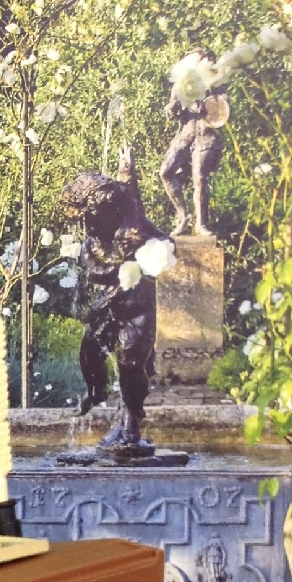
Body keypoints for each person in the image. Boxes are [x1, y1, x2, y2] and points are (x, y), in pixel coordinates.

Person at [61, 146, 172, 449]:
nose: (88, 224)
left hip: (137, 311)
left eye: (92, 217)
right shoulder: (92, 243)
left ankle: (131, 425)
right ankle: (95, 394)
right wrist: (124, 269)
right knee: (89, 356)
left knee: (130, 365)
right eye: (86, 218)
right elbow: (93, 271)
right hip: (106, 309)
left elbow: (166, 241)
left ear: (108, 212)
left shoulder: (132, 230)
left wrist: (149, 259)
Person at [160, 48, 230, 237]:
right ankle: (183, 215)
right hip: (186, 134)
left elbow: (223, 109)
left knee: (200, 178)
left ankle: (201, 224)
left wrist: (215, 104)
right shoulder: (182, 83)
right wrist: (171, 108)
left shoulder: (217, 83)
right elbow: (172, 108)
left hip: (206, 136)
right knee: (166, 171)